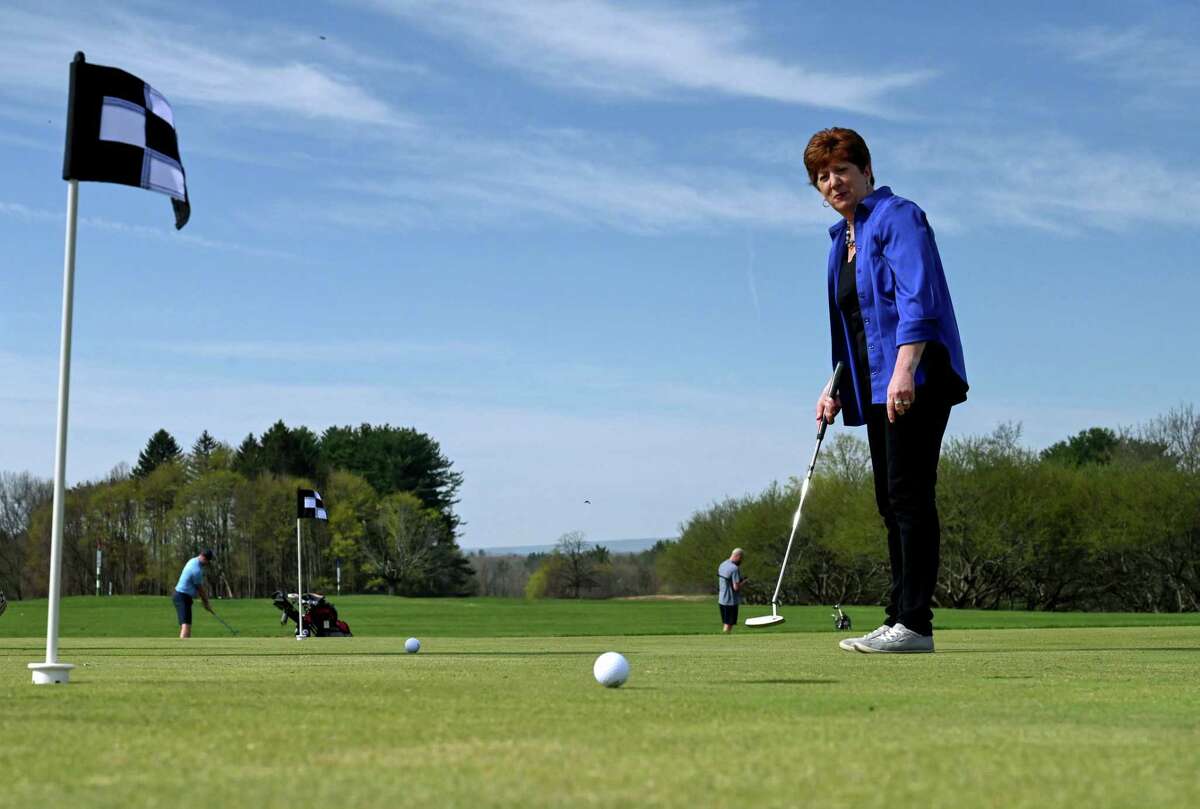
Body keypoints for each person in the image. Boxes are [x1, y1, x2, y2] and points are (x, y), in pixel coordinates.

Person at [804, 128, 968, 654]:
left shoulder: (899, 217)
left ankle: (915, 624)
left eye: (842, 171)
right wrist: (835, 387)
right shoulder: (840, 243)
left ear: (866, 172)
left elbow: (917, 298)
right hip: (875, 383)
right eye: (822, 177)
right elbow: (855, 329)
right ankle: (898, 616)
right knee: (888, 500)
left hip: (918, 375)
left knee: (909, 496)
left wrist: (905, 370)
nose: (834, 182)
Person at [173, 548, 215, 639]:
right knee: (186, 626)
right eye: (207, 561)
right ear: (204, 558)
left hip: (182, 596)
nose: (207, 564)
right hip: (182, 597)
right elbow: (201, 590)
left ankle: (185, 648)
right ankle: (182, 650)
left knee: (187, 625)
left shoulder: (192, 560)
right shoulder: (196, 570)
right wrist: (206, 603)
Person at [717, 548, 747, 632]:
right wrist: (743, 582)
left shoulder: (722, 564)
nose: (741, 561)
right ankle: (725, 640)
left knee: (725, 622)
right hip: (730, 600)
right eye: (741, 558)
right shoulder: (734, 568)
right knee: (729, 624)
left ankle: (725, 637)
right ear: (737, 556)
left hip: (721, 599)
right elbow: (736, 587)